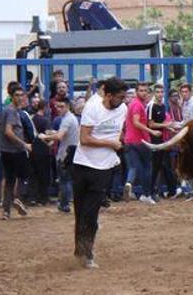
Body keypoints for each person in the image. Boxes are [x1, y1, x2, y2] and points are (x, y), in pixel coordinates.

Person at [72, 77, 127, 269]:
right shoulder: (93, 107)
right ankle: (80, 249)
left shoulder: (122, 109)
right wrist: (111, 144)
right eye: (120, 97)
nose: (123, 101)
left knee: (91, 212)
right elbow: (85, 139)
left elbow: (118, 131)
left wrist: (116, 142)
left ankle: (87, 252)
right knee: (81, 211)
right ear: (108, 95)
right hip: (83, 165)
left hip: (104, 168)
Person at [0, 86, 32, 220]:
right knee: (23, 177)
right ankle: (17, 199)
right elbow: (8, 132)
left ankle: (6, 211)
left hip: (6, 150)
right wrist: (24, 144)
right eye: (17, 95)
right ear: (11, 96)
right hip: (15, 150)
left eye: (22, 95)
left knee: (10, 179)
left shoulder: (11, 110)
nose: (20, 97)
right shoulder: (11, 111)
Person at [123, 82, 159, 204]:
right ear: (136, 92)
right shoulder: (138, 105)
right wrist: (152, 132)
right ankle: (146, 194)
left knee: (133, 167)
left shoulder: (133, 104)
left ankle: (129, 183)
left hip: (129, 140)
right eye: (141, 90)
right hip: (141, 140)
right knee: (147, 167)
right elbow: (136, 122)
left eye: (145, 91)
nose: (143, 93)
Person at [44, 97, 79, 213]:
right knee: (67, 179)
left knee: (64, 180)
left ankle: (65, 204)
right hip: (71, 152)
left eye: (61, 106)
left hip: (65, 153)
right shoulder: (71, 118)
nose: (58, 109)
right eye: (57, 107)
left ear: (68, 106)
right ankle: (65, 202)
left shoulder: (67, 119)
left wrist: (45, 137)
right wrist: (54, 133)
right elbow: (62, 134)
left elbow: (59, 137)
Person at [148, 84, 181, 199]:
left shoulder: (162, 106)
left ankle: (172, 189)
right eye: (157, 92)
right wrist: (166, 125)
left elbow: (162, 123)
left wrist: (169, 128)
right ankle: (151, 192)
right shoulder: (152, 106)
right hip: (154, 139)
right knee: (156, 166)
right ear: (153, 93)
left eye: (161, 92)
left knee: (165, 165)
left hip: (162, 138)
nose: (160, 94)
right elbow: (150, 124)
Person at [29, 100, 53, 206]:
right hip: (43, 150)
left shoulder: (32, 118)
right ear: (45, 108)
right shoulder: (45, 120)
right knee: (44, 175)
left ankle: (32, 197)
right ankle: (43, 198)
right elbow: (48, 136)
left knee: (33, 175)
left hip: (33, 149)